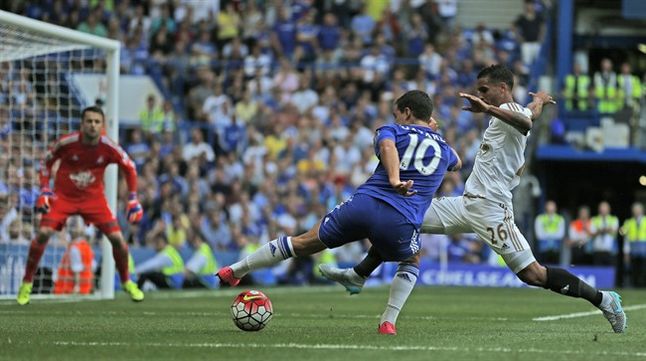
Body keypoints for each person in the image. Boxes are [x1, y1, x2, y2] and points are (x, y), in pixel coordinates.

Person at [321, 65, 626, 335]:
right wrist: (540, 101)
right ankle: (358, 276)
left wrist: (490, 108)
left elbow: (526, 122)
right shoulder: (516, 111)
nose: (479, 95)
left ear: (502, 89)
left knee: (534, 275)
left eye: (484, 90)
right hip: (466, 204)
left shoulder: (510, 113)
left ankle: (604, 299)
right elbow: (531, 114)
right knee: (401, 214)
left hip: (493, 211)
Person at [216, 91, 462, 311]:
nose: (395, 118)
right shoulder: (444, 147)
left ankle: (236, 270)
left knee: (302, 242)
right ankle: (388, 320)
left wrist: (395, 178)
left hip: (363, 205)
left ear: (407, 112)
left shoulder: (392, 130)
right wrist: (432, 133)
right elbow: (457, 163)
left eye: (397, 114)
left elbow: (387, 146)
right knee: (411, 258)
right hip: (401, 218)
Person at [17, 106, 144, 305]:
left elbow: (130, 167)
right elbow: (46, 163)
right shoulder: (67, 143)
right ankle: (26, 283)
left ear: (102, 125)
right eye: (89, 121)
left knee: (118, 239)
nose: (93, 125)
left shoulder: (108, 147)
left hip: (93, 199)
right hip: (63, 197)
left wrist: (133, 198)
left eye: (97, 122)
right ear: (82, 124)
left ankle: (127, 281)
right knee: (42, 234)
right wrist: (44, 189)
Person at [53, 216, 95, 295]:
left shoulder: (75, 248)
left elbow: (77, 270)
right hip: (85, 289)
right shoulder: (87, 248)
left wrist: (77, 287)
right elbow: (91, 270)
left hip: (68, 290)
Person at [620, 202, 646, 287]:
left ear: (642, 210)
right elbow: (623, 235)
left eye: (638, 210)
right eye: (635, 210)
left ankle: (643, 284)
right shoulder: (628, 222)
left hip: (644, 248)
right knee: (634, 268)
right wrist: (626, 252)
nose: (637, 212)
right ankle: (635, 284)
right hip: (633, 249)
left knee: (643, 268)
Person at [534, 200, 566, 265]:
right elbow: (539, 235)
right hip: (543, 244)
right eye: (549, 206)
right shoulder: (540, 218)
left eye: (552, 206)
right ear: (546, 207)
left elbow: (561, 235)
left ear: (555, 208)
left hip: (556, 245)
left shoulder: (560, 219)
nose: (551, 208)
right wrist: (551, 235)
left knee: (554, 247)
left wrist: (548, 235)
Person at [590, 201, 619, 265]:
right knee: (598, 270)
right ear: (599, 209)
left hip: (610, 250)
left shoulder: (614, 219)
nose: (603, 210)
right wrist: (606, 229)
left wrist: (600, 230)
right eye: (601, 208)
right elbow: (592, 233)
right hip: (597, 250)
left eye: (605, 208)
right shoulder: (594, 219)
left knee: (610, 270)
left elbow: (615, 231)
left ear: (609, 209)